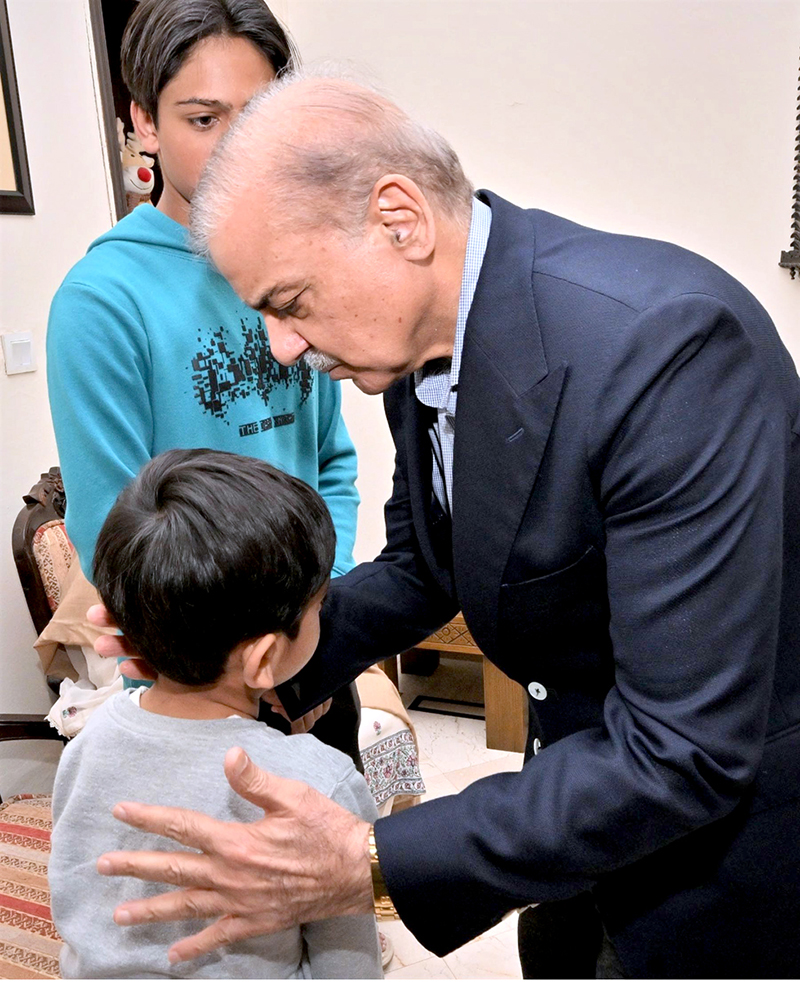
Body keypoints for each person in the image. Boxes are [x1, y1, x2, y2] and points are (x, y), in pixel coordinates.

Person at [92, 72, 800, 978]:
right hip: (576, 837)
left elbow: (684, 749)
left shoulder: (668, 351)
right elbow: (429, 567)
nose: (284, 348)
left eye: (290, 301)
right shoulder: (421, 348)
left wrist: (371, 862)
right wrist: (227, 638)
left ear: (399, 220)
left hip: (721, 874)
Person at [46, 0, 361, 761]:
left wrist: (316, 637)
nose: (234, 148)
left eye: (255, 119)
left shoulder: (299, 264)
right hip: (193, 688)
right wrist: (237, 679)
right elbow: (111, 534)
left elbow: (334, 467)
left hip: (312, 652)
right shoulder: (102, 299)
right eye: (202, 118)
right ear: (145, 124)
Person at [49, 448, 383, 980]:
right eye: (320, 605)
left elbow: (77, 902)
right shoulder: (319, 782)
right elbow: (349, 967)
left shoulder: (88, 741)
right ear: (265, 658)